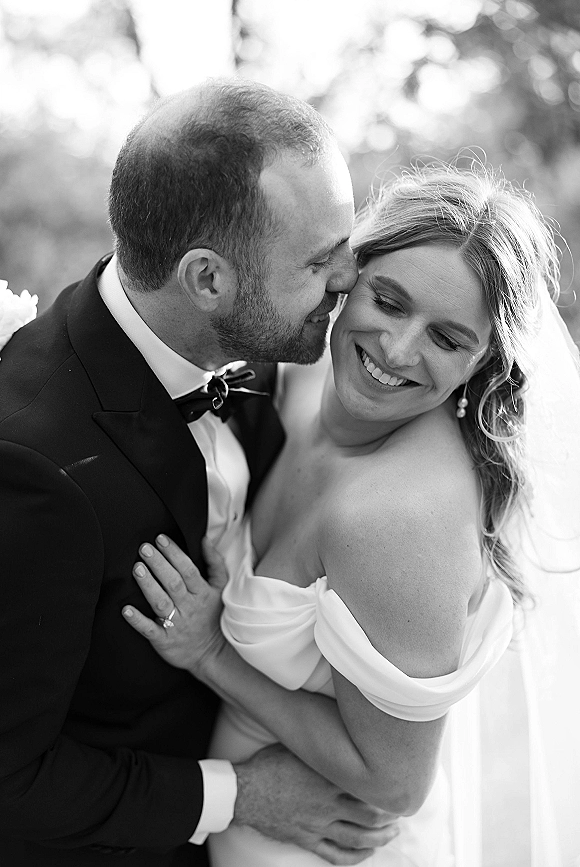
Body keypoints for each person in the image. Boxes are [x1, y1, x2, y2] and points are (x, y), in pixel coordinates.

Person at [123, 164, 580, 866]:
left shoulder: (399, 519)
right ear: (347, 275)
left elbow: (395, 780)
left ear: (485, 363)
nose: (397, 351)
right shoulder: (303, 378)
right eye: (389, 302)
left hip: (328, 848)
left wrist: (213, 654)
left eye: (448, 339)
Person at [0, 79, 403, 866]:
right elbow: (11, 774)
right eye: (320, 260)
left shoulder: (247, 348)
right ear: (208, 280)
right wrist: (238, 796)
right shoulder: (34, 470)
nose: (348, 280)